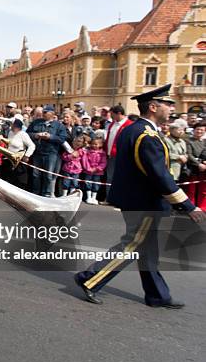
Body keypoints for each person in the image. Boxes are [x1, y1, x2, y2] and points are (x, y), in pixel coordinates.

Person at [74, 84, 205, 307]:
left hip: (137, 199)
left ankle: (158, 295)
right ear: (153, 107)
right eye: (167, 104)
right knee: (132, 245)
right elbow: (159, 175)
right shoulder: (146, 135)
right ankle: (89, 279)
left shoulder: (135, 129)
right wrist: (188, 205)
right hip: (145, 201)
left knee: (148, 250)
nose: (171, 108)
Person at [27, 104, 67, 197]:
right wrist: (36, 135)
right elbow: (27, 134)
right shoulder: (36, 122)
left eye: (45, 112)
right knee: (36, 174)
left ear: (52, 113)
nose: (43, 114)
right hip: (38, 152)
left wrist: (50, 137)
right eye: (43, 112)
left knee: (48, 175)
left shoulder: (59, 126)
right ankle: (35, 193)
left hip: (51, 153)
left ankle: (47, 193)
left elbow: (62, 139)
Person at [101, 105, 132, 205]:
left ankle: (121, 200)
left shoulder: (129, 125)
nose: (111, 116)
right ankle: (109, 198)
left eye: (112, 114)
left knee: (121, 178)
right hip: (111, 155)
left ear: (119, 113)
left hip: (121, 156)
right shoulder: (113, 124)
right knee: (110, 178)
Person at [185, 121, 205, 209]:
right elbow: (189, 155)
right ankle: (191, 207)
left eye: (202, 130)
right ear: (194, 130)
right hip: (192, 169)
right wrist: (199, 164)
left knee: (203, 190)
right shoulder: (189, 141)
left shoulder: (204, 142)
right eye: (198, 129)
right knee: (191, 190)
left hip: (204, 170)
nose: (199, 131)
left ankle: (203, 207)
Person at [81, 136, 107, 204]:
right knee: (88, 183)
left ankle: (94, 197)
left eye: (96, 144)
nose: (94, 145)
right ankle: (88, 197)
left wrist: (97, 169)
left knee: (96, 184)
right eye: (93, 144)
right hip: (88, 171)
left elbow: (103, 163)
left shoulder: (102, 153)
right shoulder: (88, 152)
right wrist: (88, 168)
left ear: (100, 145)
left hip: (97, 172)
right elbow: (85, 160)